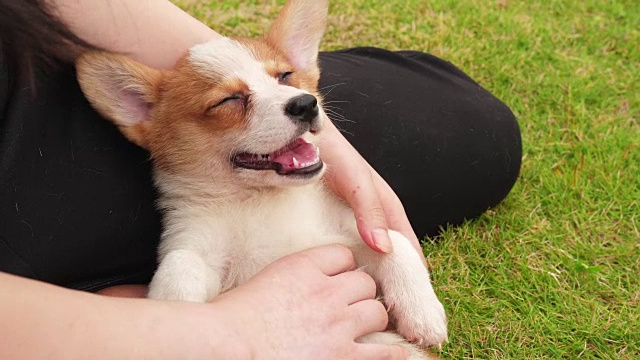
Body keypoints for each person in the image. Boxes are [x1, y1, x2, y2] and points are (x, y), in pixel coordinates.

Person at [0, 0, 521, 359]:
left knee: (481, 133)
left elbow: (374, 245)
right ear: (141, 114)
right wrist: (218, 338)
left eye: (286, 79)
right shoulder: (192, 198)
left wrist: (337, 150)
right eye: (231, 101)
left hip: (25, 78)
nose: (297, 98)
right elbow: (189, 266)